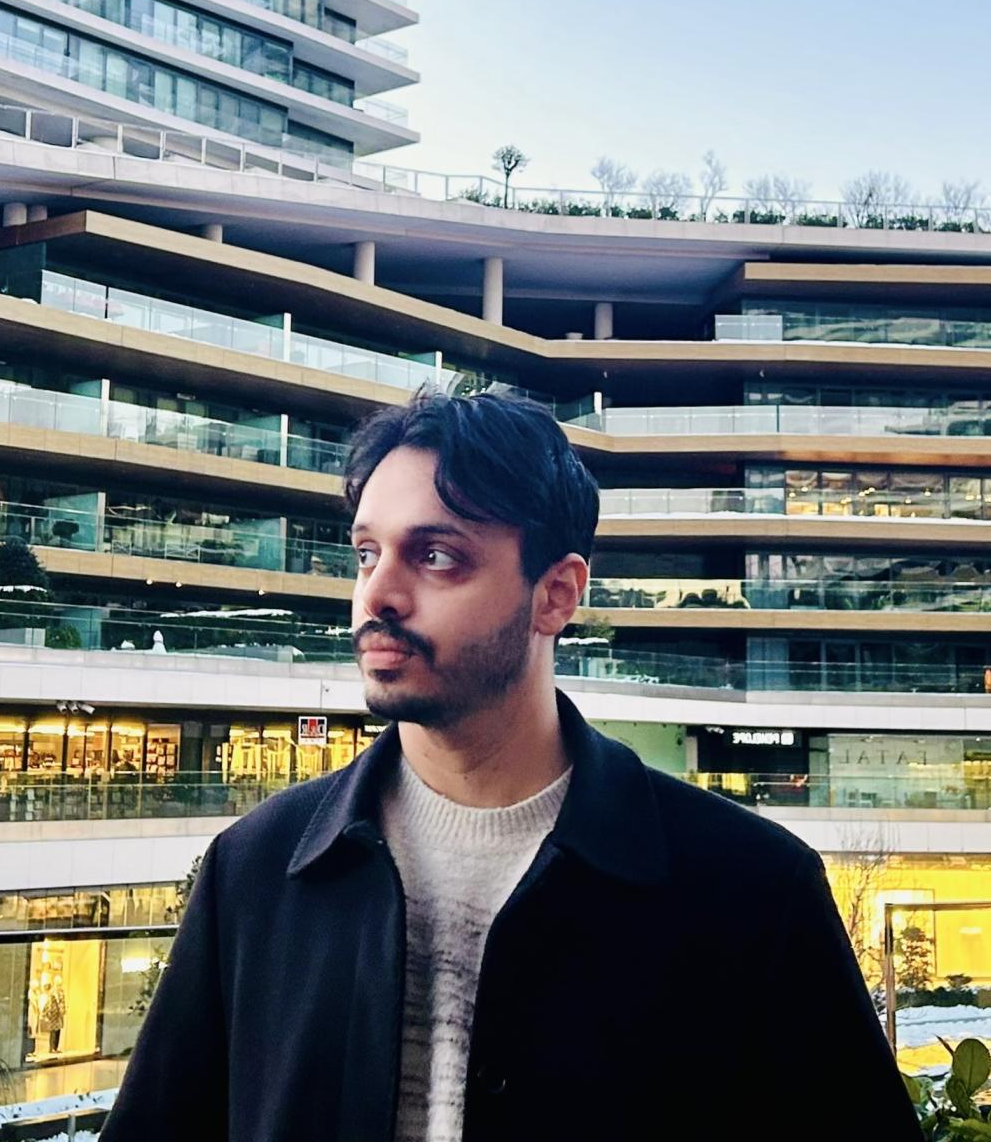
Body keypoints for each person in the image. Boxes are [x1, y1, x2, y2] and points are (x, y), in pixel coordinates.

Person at [100, 391, 921, 1141]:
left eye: (437, 557)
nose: (377, 595)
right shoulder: (256, 871)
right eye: (365, 555)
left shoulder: (753, 890)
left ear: (557, 595)